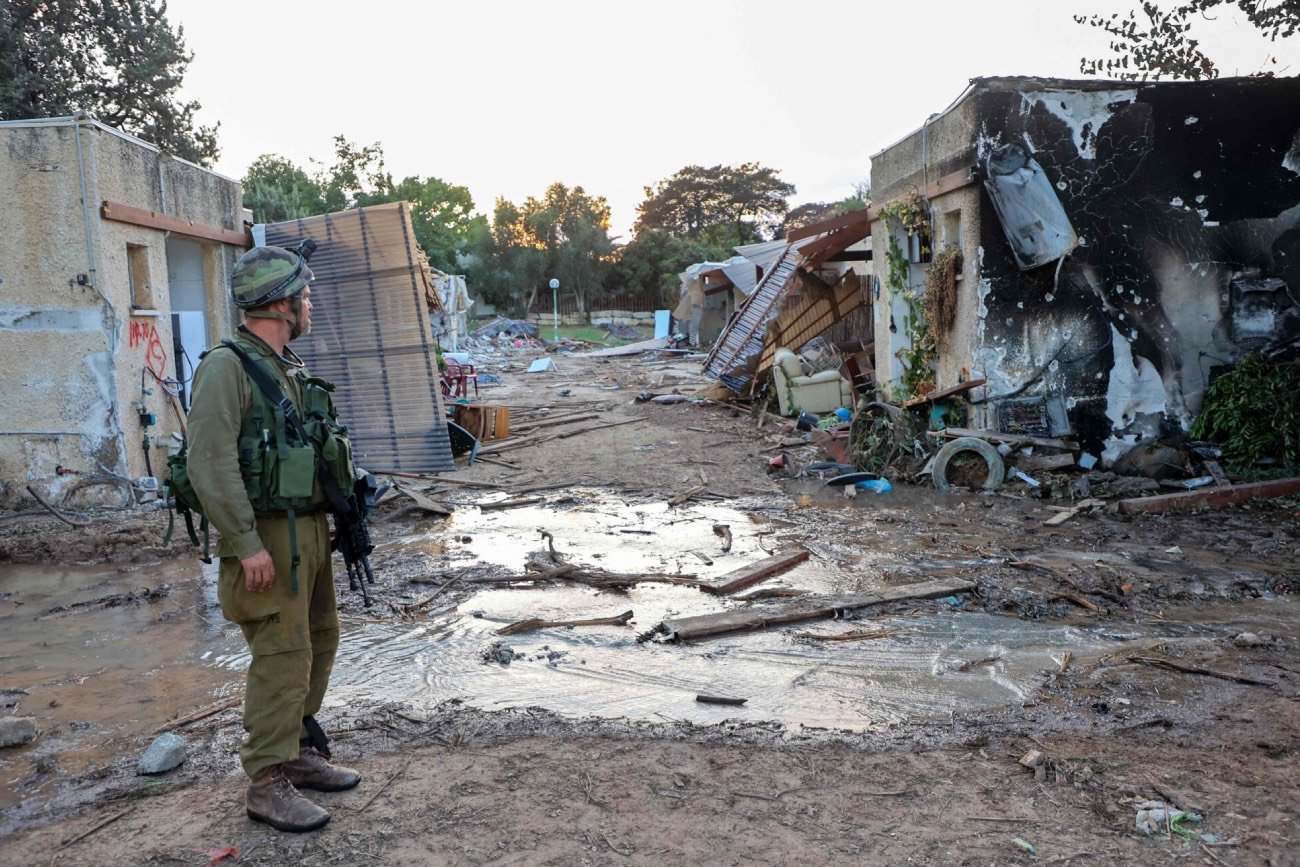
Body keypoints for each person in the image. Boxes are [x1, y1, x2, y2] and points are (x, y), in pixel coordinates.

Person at [186, 245, 361, 833]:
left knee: (318, 640)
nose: (309, 304)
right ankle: (266, 782)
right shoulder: (227, 367)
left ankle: (294, 752)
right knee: (281, 656)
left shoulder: (288, 367)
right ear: (281, 304)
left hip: (306, 532)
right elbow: (210, 463)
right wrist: (244, 543)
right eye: (304, 295)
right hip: (265, 539)